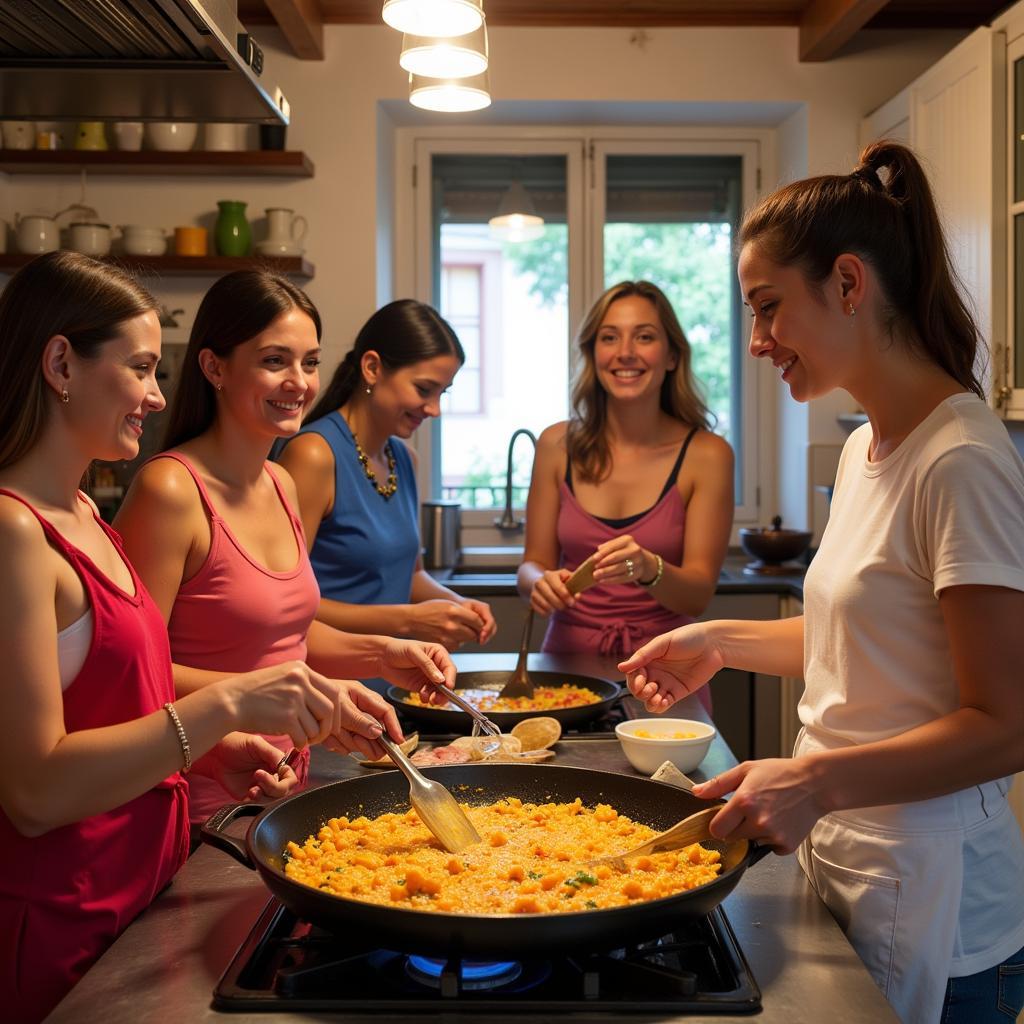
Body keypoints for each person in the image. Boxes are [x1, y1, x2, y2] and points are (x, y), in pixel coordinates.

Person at [620, 142, 1024, 1024]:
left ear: (849, 284)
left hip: (940, 899)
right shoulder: (864, 444)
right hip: (852, 853)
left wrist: (812, 782)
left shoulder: (961, 460)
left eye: (768, 309)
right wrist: (719, 641)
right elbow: (873, 639)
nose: (758, 341)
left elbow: (1005, 726)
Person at [0, 252, 394, 1023]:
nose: (154, 394)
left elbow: (127, 695)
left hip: (140, 900)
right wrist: (220, 712)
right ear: (59, 363)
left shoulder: (83, 517)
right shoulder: (13, 529)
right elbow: (34, 792)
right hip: (64, 924)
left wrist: (219, 744)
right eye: (141, 368)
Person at [115, 273, 457, 826]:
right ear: (215, 368)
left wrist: (385, 653)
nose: (299, 382)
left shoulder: (281, 481)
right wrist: (285, 693)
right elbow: (133, 671)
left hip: (284, 790)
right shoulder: (172, 489)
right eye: (275, 360)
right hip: (201, 803)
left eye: (310, 362)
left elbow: (286, 639)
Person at [517, 280, 734, 687]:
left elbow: (698, 595)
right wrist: (538, 583)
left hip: (667, 673)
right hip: (564, 672)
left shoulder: (708, 455)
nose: (625, 353)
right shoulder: (554, 445)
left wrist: (649, 568)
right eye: (609, 337)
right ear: (592, 354)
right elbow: (532, 563)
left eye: (645, 337)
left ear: (671, 356)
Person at [276, 299, 496, 653]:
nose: (435, 409)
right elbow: (285, 604)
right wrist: (409, 620)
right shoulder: (314, 454)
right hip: (328, 686)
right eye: (424, 390)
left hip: (389, 681)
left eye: (443, 393)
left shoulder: (405, 459)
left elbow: (410, 576)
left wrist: (456, 604)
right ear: (373, 368)